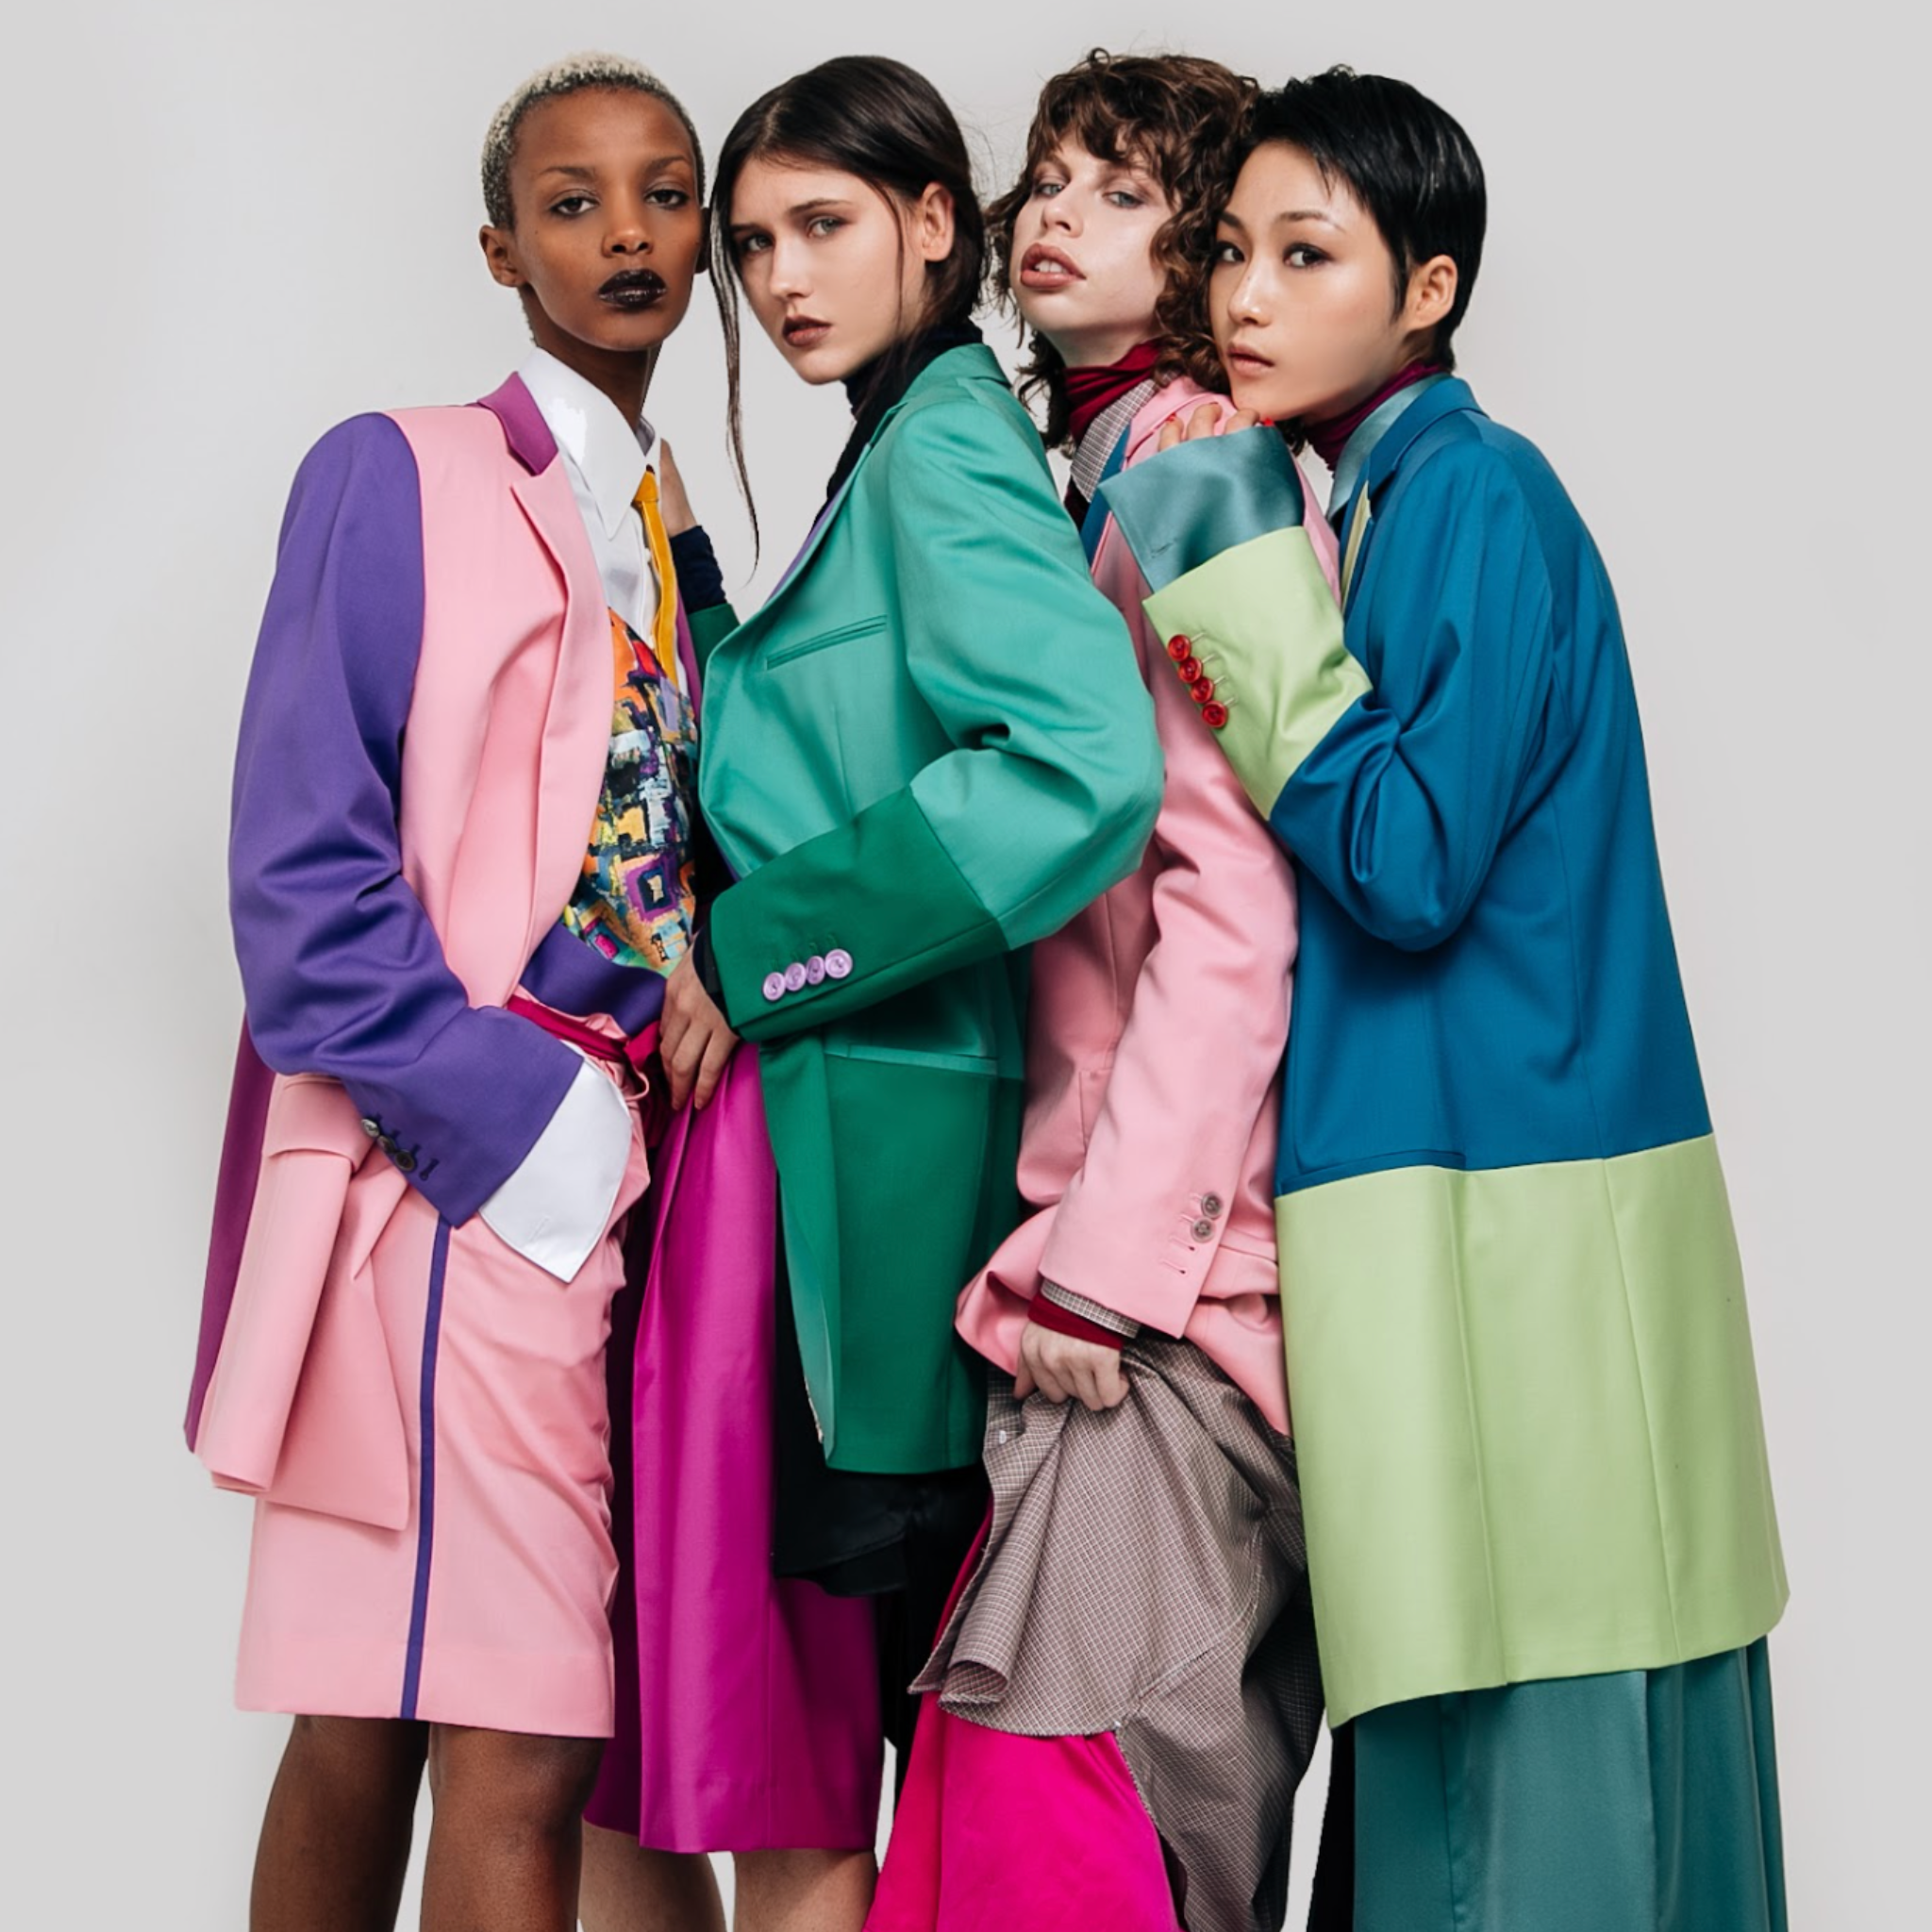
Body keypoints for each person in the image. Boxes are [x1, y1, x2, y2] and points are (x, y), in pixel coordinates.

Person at [1098, 65, 1790, 1932]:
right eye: (1229, 249)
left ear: (1428, 286)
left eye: (1305, 253)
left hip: (1504, 1208)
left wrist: (1231, 582)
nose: (1243, 294)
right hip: (1465, 1199)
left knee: (1519, 1740)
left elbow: (1404, 863)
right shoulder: (1383, 498)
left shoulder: (1469, 493)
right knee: (1474, 1720)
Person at [181, 53, 825, 1932]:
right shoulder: (400, 471)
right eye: (571, 200)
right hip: (475, 1181)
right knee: (516, 1741)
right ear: (499, 246)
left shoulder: (667, 525)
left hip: (625, 1169)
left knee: (379, 1716)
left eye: (660, 193)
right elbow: (304, 886)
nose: (624, 232)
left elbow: (677, 838)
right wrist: (533, 1141)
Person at [652, 52, 1164, 1922]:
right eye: (755, 242)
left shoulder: (941, 439)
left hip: (877, 1149)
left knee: (849, 1727)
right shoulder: (898, 434)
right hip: (832, 1146)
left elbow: (1078, 764)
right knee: (792, 1736)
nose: (781, 277)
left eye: (826, 226)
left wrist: (759, 937)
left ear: (937, 227)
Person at [868, 50, 1339, 1932]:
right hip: (1096, 1258)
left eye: (1123, 190)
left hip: (1159, 1293)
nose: (1053, 211)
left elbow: (1239, 898)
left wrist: (1111, 1262)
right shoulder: (1086, 464)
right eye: (1048, 174)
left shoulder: (1191, 467)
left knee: (1086, 1798)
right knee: (1064, 1799)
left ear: (1208, 247)